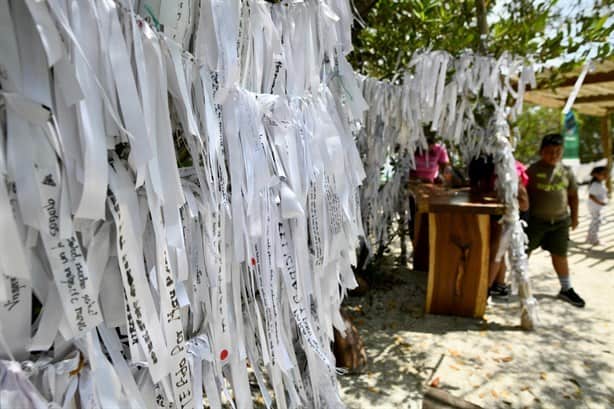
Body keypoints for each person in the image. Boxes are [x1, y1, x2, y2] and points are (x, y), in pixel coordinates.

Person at [526, 133, 584, 307]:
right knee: (523, 252)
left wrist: (574, 218)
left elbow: (573, 196)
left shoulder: (566, 171)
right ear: (541, 152)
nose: (554, 155)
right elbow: (523, 195)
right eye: (549, 151)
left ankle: (566, 289)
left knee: (560, 254)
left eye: (558, 151)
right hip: (535, 222)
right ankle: (512, 284)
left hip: (560, 222)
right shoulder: (532, 171)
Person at [586, 166, 609, 246]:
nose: (606, 175)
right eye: (603, 174)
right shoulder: (595, 184)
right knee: (596, 222)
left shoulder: (599, 183)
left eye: (606, 173)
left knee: (595, 222)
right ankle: (594, 239)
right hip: (595, 207)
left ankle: (590, 237)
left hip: (597, 207)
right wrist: (600, 203)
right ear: (596, 175)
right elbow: (591, 196)